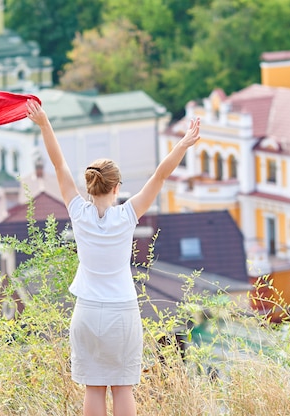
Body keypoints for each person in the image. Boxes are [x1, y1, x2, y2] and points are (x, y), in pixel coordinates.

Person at [26, 99, 200, 416]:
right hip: (122, 311)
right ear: (117, 187)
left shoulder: (78, 211)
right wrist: (184, 143)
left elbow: (59, 166)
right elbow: (160, 175)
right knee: (122, 386)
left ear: (89, 186)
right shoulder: (127, 214)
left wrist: (44, 124)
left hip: (87, 312)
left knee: (94, 387)